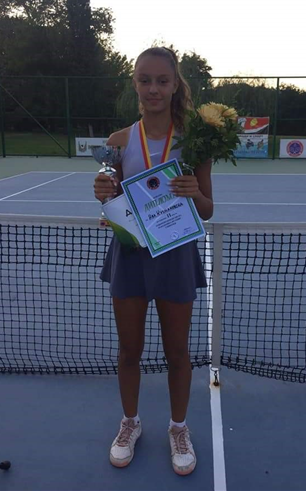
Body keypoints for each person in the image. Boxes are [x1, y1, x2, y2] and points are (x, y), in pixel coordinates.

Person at [93, 46, 213, 476]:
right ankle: (130, 422)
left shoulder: (195, 140)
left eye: (162, 81)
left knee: (177, 352)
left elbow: (207, 209)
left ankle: (178, 428)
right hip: (129, 255)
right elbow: (114, 203)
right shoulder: (119, 142)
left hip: (176, 255)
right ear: (135, 84)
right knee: (129, 350)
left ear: (175, 84)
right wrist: (103, 195)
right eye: (145, 80)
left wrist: (193, 192)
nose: (153, 89)